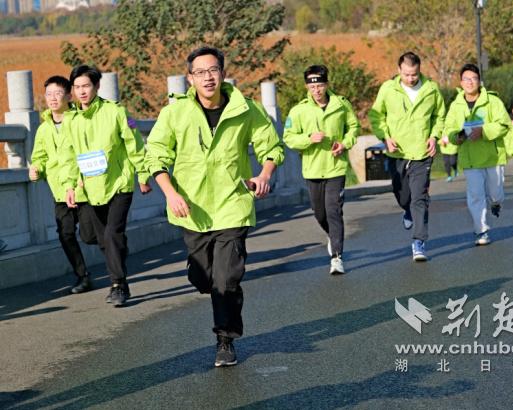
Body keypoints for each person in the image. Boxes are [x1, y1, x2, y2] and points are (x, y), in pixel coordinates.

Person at [144, 46, 284, 367]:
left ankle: (225, 340)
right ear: (190, 78)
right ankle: (209, 281)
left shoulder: (245, 109)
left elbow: (272, 146)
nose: (207, 77)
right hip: (192, 209)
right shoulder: (175, 113)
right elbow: (155, 155)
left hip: (233, 204)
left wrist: (264, 174)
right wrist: (170, 193)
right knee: (203, 278)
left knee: (226, 279)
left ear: (223, 73)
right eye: (200, 72)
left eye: (213, 70)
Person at [59, 65, 152, 307]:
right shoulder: (70, 119)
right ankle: (118, 253)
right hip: (90, 189)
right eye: (77, 87)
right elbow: (68, 156)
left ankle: (119, 285)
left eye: (86, 86)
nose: (82, 91)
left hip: (119, 183)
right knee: (95, 237)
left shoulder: (116, 112)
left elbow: (134, 144)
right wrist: (69, 186)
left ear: (97, 86)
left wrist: (143, 174)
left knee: (111, 234)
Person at [368, 51, 445, 261]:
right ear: (399, 70)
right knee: (402, 195)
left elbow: (439, 116)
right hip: (397, 152)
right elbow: (376, 115)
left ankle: (419, 242)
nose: (410, 79)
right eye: (406, 74)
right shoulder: (388, 89)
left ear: (420, 70)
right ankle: (407, 210)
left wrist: (434, 136)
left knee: (419, 198)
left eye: (414, 74)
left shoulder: (431, 89)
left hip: (422, 152)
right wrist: (385, 137)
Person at [283, 65, 359, 275]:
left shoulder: (341, 104)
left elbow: (353, 127)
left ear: (327, 84)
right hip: (313, 169)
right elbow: (289, 137)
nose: (316, 90)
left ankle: (337, 257)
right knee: (320, 213)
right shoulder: (298, 110)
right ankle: (332, 235)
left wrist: (344, 143)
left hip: (336, 167)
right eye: (312, 86)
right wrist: (309, 138)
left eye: (319, 85)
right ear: (307, 86)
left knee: (334, 211)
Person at [30, 75, 97, 294]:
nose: (53, 98)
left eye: (58, 93)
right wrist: (36, 168)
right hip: (59, 191)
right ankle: (83, 276)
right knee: (65, 234)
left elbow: (89, 151)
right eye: (48, 94)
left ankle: (116, 252)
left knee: (90, 235)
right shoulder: (43, 129)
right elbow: (39, 156)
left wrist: (80, 181)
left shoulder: (79, 121)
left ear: (69, 96)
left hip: (83, 188)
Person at [444, 64, 511, 246]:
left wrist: (483, 131)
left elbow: (504, 125)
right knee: (475, 196)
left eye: (473, 78)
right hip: (470, 159)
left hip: (492, 157)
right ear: (461, 82)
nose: (470, 82)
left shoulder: (493, 101)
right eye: (466, 79)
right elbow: (449, 129)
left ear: (479, 81)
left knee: (496, 193)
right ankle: (481, 231)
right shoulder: (456, 106)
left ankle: (496, 203)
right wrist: (457, 137)